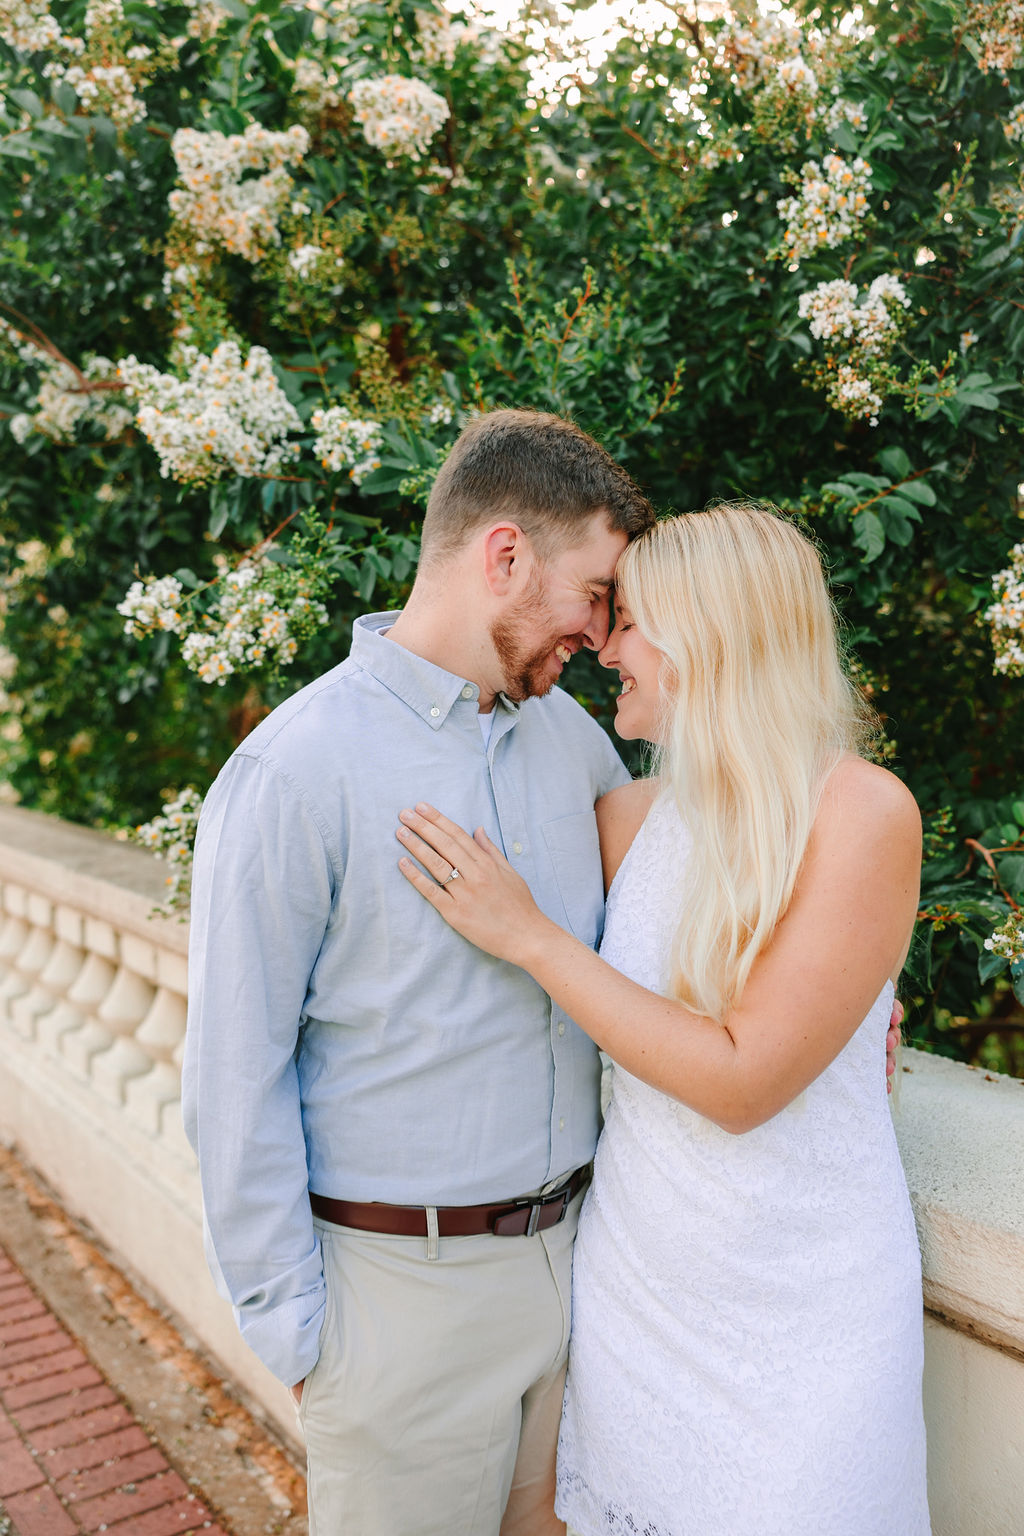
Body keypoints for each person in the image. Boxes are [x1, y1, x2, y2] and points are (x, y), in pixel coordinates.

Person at [396, 503, 931, 1536]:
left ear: (711, 636)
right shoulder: (623, 821)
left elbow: (741, 1082)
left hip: (806, 1309)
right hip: (640, 1286)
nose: (605, 646)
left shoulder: (864, 812)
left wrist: (535, 939)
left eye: (632, 620)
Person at [182, 407, 658, 1536]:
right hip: (398, 1301)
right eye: (593, 593)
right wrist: (303, 1334)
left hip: (580, 1273)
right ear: (505, 556)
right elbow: (231, 1075)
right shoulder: (294, 770)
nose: (599, 636)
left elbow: (703, 878)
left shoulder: (573, 745)